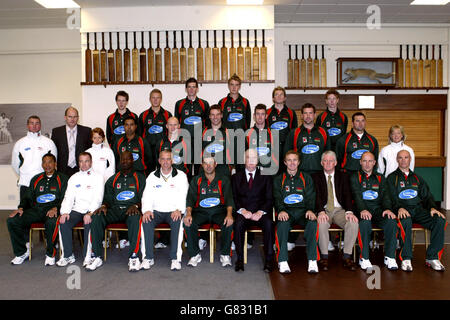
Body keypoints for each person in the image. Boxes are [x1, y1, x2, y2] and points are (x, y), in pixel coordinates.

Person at [84, 151, 146, 272]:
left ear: (132, 160)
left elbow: (146, 198)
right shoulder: (113, 179)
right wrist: (104, 206)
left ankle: (134, 257)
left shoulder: (140, 178)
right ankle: (96, 256)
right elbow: (107, 198)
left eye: (127, 159)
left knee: (135, 218)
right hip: (115, 210)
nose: (125, 161)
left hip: (131, 209)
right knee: (97, 216)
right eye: (122, 159)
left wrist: (137, 206)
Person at [387, 150, 447, 272]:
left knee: (439, 220)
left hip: (418, 210)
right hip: (402, 211)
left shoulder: (417, 178)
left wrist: (432, 208)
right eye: (400, 158)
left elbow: (427, 196)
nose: (403, 160)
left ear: (410, 160)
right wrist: (399, 207)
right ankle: (406, 258)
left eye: (406, 157)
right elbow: (390, 197)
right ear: (397, 160)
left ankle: (432, 257)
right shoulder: (392, 178)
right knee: (406, 221)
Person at [7, 153, 68, 265]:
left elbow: (66, 198)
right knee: (12, 220)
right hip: (36, 210)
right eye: (44, 162)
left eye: (50, 162)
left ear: (55, 164)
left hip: (53, 210)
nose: (47, 165)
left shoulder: (62, 179)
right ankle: (21, 252)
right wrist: (21, 208)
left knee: (52, 222)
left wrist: (56, 208)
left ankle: (50, 254)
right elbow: (27, 198)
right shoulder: (36, 179)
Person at [349, 152, 398, 271]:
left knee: (391, 221)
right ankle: (364, 257)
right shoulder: (355, 177)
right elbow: (356, 195)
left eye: (370, 161)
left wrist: (387, 209)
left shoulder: (380, 177)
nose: (367, 164)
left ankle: (390, 256)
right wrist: (363, 209)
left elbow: (386, 196)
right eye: (364, 161)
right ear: (360, 162)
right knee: (365, 223)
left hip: (377, 210)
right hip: (361, 210)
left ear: (374, 163)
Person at [141, 150, 189, 271]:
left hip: (174, 211)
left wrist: (179, 210)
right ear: (159, 161)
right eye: (163, 159)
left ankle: (175, 258)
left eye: (168, 159)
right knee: (146, 221)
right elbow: (146, 195)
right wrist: (147, 210)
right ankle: (148, 257)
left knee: (178, 222)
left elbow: (184, 195)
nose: (166, 162)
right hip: (156, 211)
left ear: (172, 161)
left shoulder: (181, 176)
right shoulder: (152, 176)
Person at [183, 155, 235, 268]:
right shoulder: (196, 180)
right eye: (206, 163)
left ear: (215, 164)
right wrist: (188, 214)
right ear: (202, 165)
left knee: (229, 222)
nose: (208, 166)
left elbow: (229, 199)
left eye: (211, 163)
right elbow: (190, 199)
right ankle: (194, 255)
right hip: (201, 212)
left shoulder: (224, 179)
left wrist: (229, 215)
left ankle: (225, 254)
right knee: (187, 222)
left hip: (219, 211)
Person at [311, 150, 358, 271]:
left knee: (353, 223)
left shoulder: (343, 176)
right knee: (321, 224)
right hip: (325, 210)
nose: (328, 163)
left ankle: (347, 256)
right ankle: (324, 257)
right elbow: (315, 196)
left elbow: (348, 194)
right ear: (321, 162)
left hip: (340, 210)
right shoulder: (315, 177)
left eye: (331, 161)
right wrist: (320, 211)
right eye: (325, 161)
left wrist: (349, 211)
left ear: (335, 162)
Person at [274, 150, 319, 274]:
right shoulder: (279, 179)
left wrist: (310, 210)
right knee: (282, 225)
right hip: (287, 212)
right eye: (289, 160)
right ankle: (282, 260)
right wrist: (281, 210)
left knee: (313, 223)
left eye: (294, 160)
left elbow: (311, 196)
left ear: (299, 162)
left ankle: (312, 260)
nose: (292, 163)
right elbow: (277, 198)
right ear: (285, 162)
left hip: (303, 211)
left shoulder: (306, 178)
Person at [57, 152, 104, 267]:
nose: (83, 164)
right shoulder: (74, 178)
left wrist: (90, 212)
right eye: (81, 161)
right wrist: (65, 212)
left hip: (91, 210)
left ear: (91, 162)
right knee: (63, 222)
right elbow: (68, 197)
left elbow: (98, 198)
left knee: (89, 221)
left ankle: (88, 256)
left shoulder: (98, 177)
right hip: (77, 210)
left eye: (86, 161)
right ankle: (67, 255)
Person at [232, 149, 274, 272]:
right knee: (238, 224)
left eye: (254, 158)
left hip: (260, 213)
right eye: (248, 158)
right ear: (244, 159)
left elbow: (270, 199)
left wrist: (260, 212)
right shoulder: (236, 177)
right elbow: (234, 198)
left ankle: (268, 260)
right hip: (243, 213)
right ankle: (239, 259)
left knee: (269, 223)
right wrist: (242, 210)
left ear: (258, 160)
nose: (251, 161)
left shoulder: (266, 176)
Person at [12, 115, 57, 203]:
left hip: (43, 182)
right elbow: (15, 164)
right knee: (25, 211)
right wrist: (24, 173)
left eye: (37, 123)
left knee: (43, 210)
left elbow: (54, 164)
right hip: (25, 182)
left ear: (40, 125)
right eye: (31, 123)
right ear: (27, 125)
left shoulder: (49, 143)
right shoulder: (20, 143)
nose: (34, 125)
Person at [174, 78, 210, 175]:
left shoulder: (204, 104)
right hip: (185, 141)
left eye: (193, 87)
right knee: (186, 167)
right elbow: (176, 124)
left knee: (199, 167)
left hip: (199, 141)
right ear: (186, 89)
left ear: (197, 89)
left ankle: (197, 187)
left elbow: (207, 124)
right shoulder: (179, 104)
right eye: (189, 87)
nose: (191, 89)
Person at [284, 103, 330, 175]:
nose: (308, 116)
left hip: (319, 173)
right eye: (305, 113)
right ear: (302, 116)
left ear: (315, 115)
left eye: (310, 113)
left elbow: (328, 154)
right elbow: (286, 154)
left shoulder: (323, 132)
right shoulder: (293, 133)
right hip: (300, 173)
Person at [218, 75, 251, 170]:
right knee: (227, 167)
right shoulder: (222, 102)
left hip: (241, 140)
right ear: (228, 86)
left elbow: (247, 121)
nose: (234, 87)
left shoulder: (245, 102)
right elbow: (219, 120)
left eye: (236, 85)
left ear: (240, 86)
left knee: (241, 168)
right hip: (227, 139)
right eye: (232, 84)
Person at [138, 89, 173, 173]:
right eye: (153, 98)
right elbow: (139, 134)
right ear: (150, 99)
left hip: (163, 148)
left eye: (158, 98)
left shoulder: (167, 114)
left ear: (161, 99)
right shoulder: (143, 115)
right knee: (149, 172)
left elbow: (171, 132)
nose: (155, 100)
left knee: (164, 171)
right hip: (148, 149)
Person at [51, 106, 92, 177]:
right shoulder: (57, 132)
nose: (72, 119)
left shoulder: (86, 131)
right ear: (65, 117)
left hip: (81, 169)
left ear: (78, 118)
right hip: (62, 170)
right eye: (70, 116)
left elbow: (90, 151)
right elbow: (53, 151)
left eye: (75, 117)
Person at [266, 87, 298, 160]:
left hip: (287, 148)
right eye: (276, 94)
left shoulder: (291, 113)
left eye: (281, 94)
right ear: (273, 98)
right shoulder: (267, 112)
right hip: (272, 147)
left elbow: (295, 132)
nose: (279, 96)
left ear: (285, 98)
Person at [245, 104, 278, 174]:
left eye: (262, 114)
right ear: (254, 116)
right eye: (258, 114)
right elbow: (243, 155)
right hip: (252, 172)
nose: (260, 117)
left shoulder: (273, 133)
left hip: (269, 172)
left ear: (266, 116)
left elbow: (277, 155)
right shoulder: (247, 133)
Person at [202, 105, 232, 177]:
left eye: (217, 114)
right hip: (207, 168)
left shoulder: (229, 131)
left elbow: (234, 150)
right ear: (209, 116)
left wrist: (230, 167)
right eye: (212, 115)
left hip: (223, 168)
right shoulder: (203, 131)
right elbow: (198, 150)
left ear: (221, 115)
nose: (215, 117)